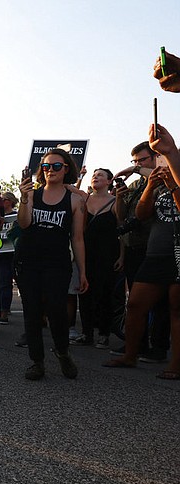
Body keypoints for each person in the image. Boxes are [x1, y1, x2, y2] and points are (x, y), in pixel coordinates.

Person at [104, 122, 180, 379]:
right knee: (135, 304)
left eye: (143, 161)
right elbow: (142, 213)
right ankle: (130, 355)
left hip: (178, 253)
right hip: (156, 252)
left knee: (175, 308)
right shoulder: (152, 182)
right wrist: (150, 185)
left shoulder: (176, 175)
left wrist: (171, 184)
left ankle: (176, 365)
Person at [17, 149, 88, 380]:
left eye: (56, 166)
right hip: (29, 261)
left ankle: (63, 351)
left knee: (57, 310)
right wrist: (24, 198)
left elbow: (77, 238)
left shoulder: (75, 199)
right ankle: (37, 362)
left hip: (57, 263)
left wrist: (83, 271)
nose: (50, 171)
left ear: (66, 168)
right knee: (32, 311)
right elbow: (24, 224)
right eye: (46, 166)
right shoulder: (33, 195)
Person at [113, 142, 169, 362]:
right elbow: (121, 216)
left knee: (161, 302)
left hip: (156, 247)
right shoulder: (137, 184)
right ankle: (136, 344)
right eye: (134, 161)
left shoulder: (166, 178)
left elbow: (163, 179)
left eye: (141, 160)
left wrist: (135, 170)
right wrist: (119, 196)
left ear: (155, 158)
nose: (136, 165)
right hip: (134, 247)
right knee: (135, 301)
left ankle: (159, 347)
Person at [72, 168, 118, 349]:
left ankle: (104, 334)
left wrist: (121, 256)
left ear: (109, 181)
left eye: (100, 175)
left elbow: (121, 230)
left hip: (107, 255)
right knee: (84, 293)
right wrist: (81, 176)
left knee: (105, 294)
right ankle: (87, 333)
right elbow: (70, 188)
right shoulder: (85, 198)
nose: (96, 177)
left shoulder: (115, 201)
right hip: (86, 253)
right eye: (94, 175)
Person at [0, 192, 18, 325]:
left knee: (5, 283)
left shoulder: (16, 216)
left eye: (2, 199)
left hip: (8, 252)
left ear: (9, 201)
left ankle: (4, 311)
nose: (0, 202)